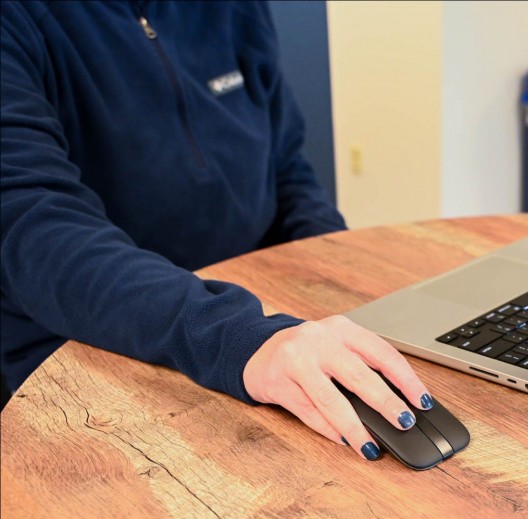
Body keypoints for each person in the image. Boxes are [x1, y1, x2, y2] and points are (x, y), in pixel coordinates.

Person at [0, 0, 431, 461]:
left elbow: (284, 165)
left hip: (258, 318)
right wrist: (237, 338)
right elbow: (32, 226)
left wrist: (334, 266)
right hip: (86, 345)